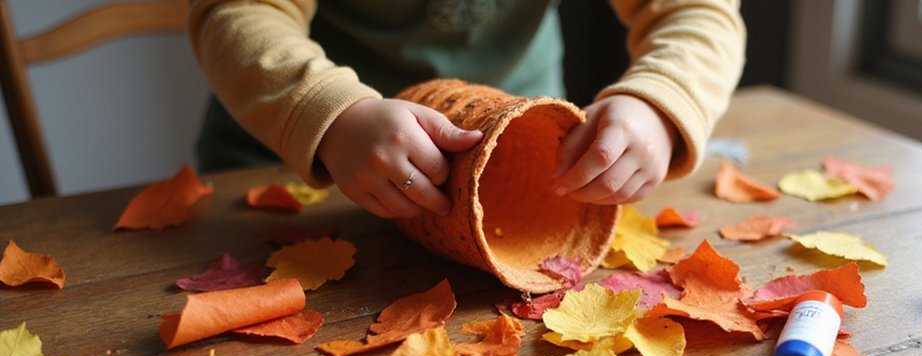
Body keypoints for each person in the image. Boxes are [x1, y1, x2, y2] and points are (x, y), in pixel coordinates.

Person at [188, 0, 746, 219]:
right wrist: (333, 118)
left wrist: (660, 102)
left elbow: (696, 12)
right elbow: (238, 13)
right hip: (291, 161)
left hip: (523, 159)